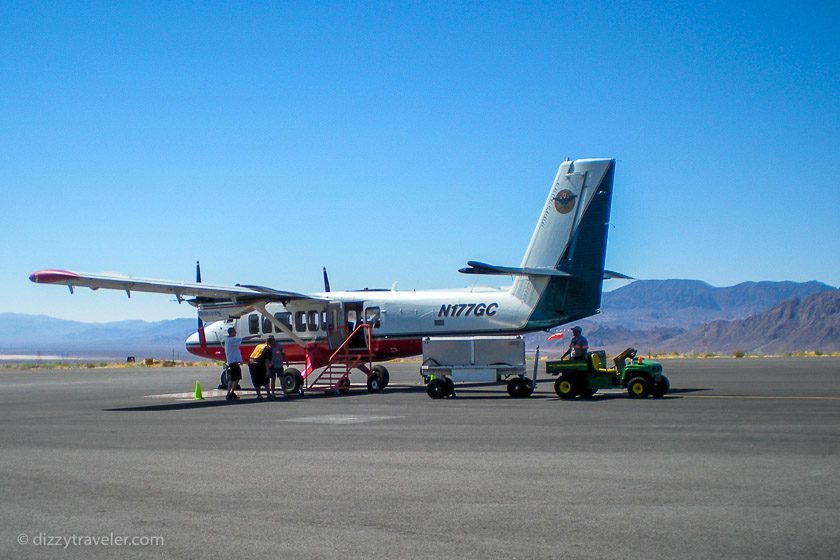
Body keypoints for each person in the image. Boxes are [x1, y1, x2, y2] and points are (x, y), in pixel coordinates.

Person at [223, 327, 244, 401]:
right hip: (233, 362)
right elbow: (243, 339)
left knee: (236, 378)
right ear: (231, 332)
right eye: (234, 332)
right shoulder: (232, 340)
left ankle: (231, 393)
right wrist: (255, 336)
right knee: (233, 378)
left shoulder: (228, 340)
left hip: (233, 362)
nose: (235, 333)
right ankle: (229, 393)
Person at [267, 335, 284, 400]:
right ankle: (273, 392)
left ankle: (284, 392)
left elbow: (283, 353)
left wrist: (286, 360)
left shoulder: (279, 346)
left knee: (281, 378)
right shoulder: (268, 347)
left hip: (279, 364)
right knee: (273, 379)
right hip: (272, 365)